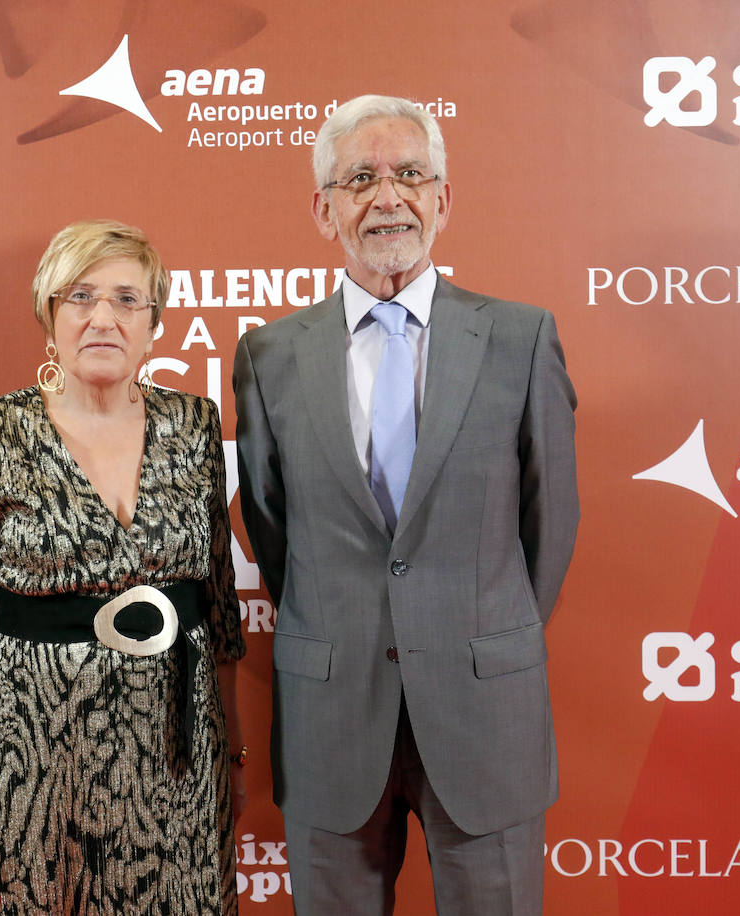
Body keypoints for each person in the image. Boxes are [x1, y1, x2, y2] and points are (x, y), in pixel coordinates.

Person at [233, 95, 579, 915]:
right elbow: (273, 531)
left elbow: (549, 527)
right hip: (331, 711)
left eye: (409, 175)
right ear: (325, 209)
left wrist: (480, 629)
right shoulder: (267, 356)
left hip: (482, 705)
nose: (387, 198)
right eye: (360, 179)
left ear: (442, 199)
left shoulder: (520, 340)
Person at [0, 219, 247, 915]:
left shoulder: (194, 428)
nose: (103, 318)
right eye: (81, 296)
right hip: (27, 763)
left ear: (154, 323)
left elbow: (216, 603)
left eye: (128, 299)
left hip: (176, 755)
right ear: (49, 315)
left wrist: (231, 752)